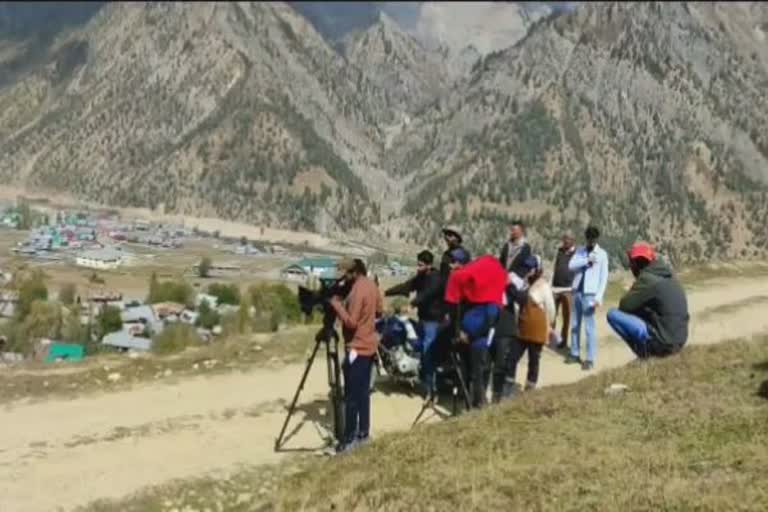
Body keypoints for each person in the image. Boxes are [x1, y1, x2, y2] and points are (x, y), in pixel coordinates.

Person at [329, 257, 384, 453]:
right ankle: (363, 434)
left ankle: (350, 438)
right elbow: (379, 310)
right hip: (368, 346)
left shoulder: (357, 291)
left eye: (345, 276)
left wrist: (336, 304)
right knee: (363, 394)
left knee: (352, 396)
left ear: (353, 272)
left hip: (357, 347)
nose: (343, 280)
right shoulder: (370, 285)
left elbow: (351, 322)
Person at [444, 249, 507, 409]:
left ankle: (477, 405)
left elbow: (490, 320)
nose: (452, 266)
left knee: (477, 374)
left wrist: (469, 335)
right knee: (463, 372)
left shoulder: (490, 302)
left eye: (455, 262)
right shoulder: (468, 291)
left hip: (477, 340)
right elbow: (455, 308)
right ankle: (462, 404)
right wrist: (458, 332)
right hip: (464, 337)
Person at [607, 242, 689, 358]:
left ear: (635, 264)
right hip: (680, 340)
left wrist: (633, 290)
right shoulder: (667, 275)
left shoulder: (647, 279)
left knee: (613, 314)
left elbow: (624, 306)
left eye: (631, 263)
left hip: (664, 344)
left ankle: (644, 355)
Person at [384, 250, 444, 399]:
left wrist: (411, 304)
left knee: (428, 353)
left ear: (429, 265)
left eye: (421, 265)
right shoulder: (420, 277)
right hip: (423, 320)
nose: (418, 267)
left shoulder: (436, 278)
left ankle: (432, 391)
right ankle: (412, 373)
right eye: (417, 264)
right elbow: (407, 286)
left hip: (433, 321)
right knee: (413, 345)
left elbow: (427, 294)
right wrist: (386, 292)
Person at [508, 255, 556, 394]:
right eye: (527, 268)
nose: (528, 271)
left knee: (533, 359)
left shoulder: (543, 286)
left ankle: (530, 387)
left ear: (537, 269)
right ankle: (509, 384)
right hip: (523, 328)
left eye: (531, 268)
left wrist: (548, 326)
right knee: (513, 357)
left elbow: (550, 309)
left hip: (537, 329)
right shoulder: (525, 283)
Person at [567, 226, 609, 371]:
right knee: (574, 324)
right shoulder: (580, 251)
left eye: (593, 239)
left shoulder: (602, 254)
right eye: (588, 238)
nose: (590, 241)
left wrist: (599, 297)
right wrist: (586, 260)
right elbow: (571, 265)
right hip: (577, 290)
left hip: (590, 293)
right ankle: (574, 353)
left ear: (596, 238)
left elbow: (603, 278)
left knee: (589, 326)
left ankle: (590, 358)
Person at [551, 231, 576, 350]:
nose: (566, 241)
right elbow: (556, 265)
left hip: (568, 289)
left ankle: (563, 341)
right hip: (556, 287)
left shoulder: (577, 253)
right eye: (564, 238)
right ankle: (551, 337)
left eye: (568, 239)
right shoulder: (560, 251)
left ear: (573, 241)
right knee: (551, 314)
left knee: (566, 317)